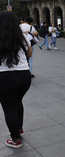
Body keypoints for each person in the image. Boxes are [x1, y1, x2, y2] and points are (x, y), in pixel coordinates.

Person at [0, 11, 32, 148]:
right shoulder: (22, 38)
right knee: (18, 101)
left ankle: (15, 140)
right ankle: (19, 129)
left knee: (9, 108)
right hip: (24, 76)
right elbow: (29, 54)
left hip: (5, 77)